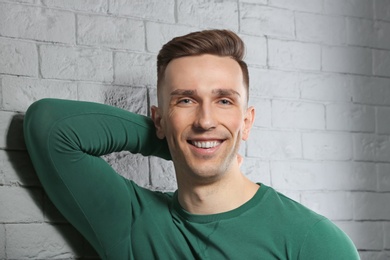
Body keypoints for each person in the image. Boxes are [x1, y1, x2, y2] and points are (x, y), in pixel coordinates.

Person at [24, 30, 359, 259]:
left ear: (246, 122)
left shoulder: (312, 240)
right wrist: (178, 143)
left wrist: (198, 145)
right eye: (185, 101)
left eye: (225, 101)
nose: (205, 120)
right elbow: (52, 126)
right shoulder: (133, 224)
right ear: (158, 119)